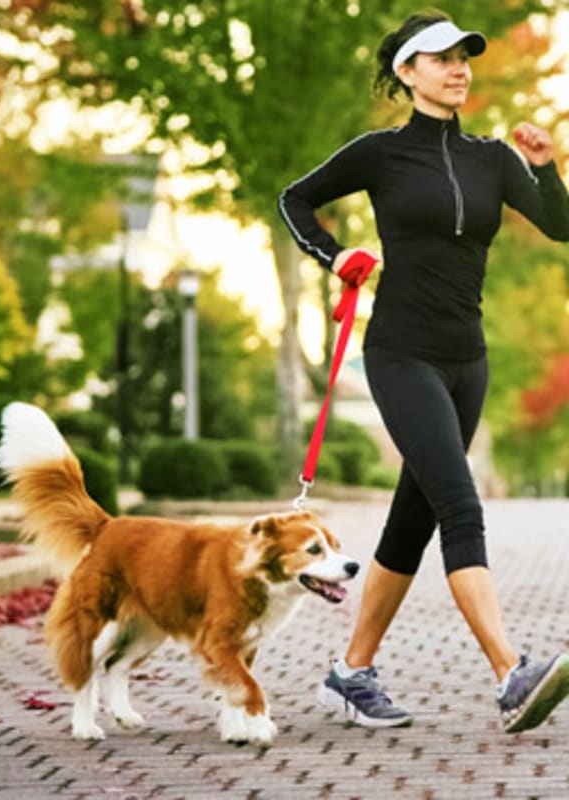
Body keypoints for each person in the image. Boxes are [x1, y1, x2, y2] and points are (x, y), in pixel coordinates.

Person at [278, 10, 569, 734]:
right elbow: (295, 199)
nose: (458, 67)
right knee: (461, 508)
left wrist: (546, 167)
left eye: (465, 56)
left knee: (412, 521)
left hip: (468, 361)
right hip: (401, 353)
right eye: (440, 58)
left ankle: (350, 673)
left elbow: (561, 226)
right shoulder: (380, 153)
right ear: (408, 73)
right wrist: (334, 254)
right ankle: (511, 673)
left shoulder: (493, 157)